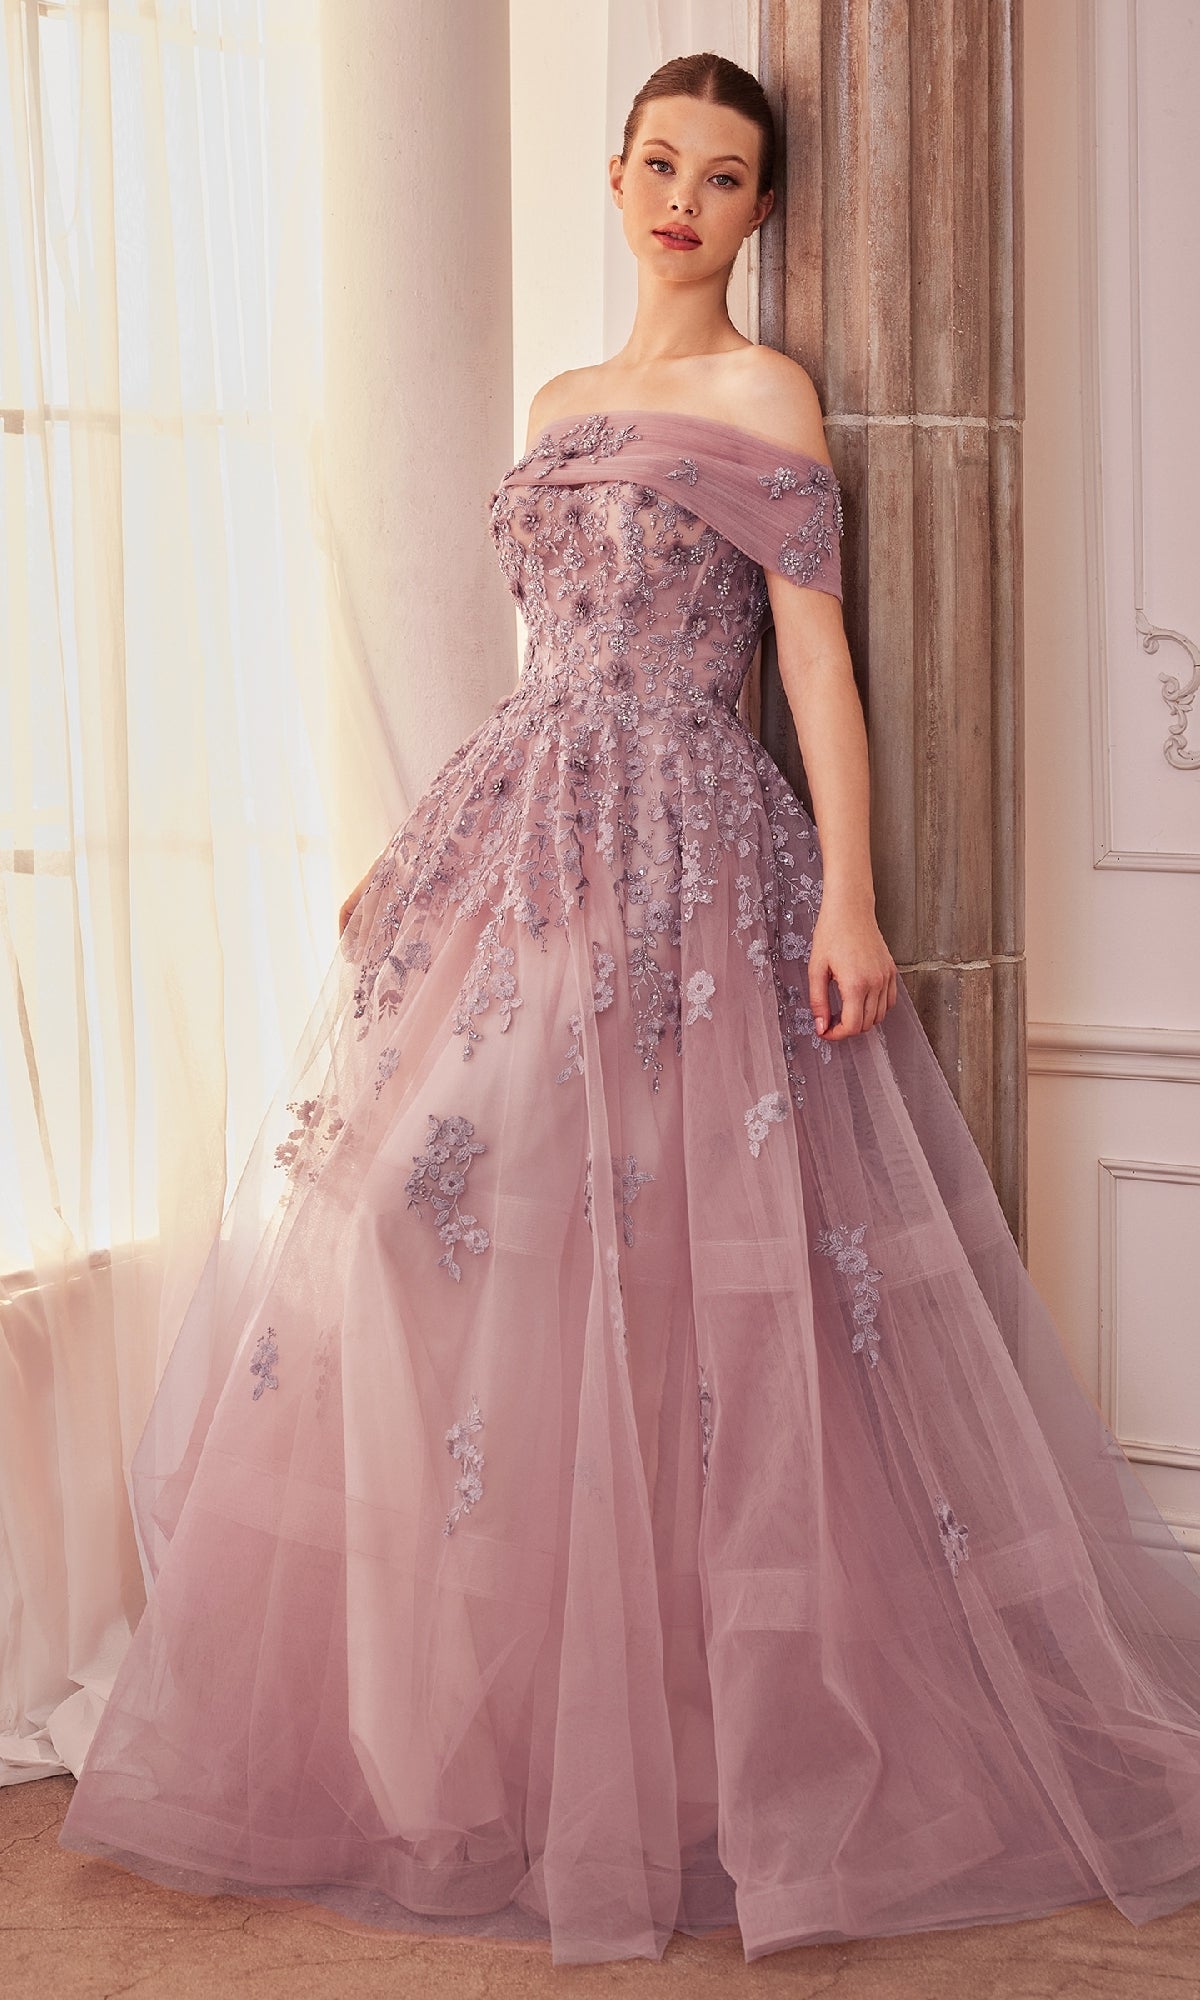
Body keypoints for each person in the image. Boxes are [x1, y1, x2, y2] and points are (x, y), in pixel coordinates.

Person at [59, 52, 1200, 1971]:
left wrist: (849, 894)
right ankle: (486, 1721)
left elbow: (812, 664)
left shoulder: (765, 397)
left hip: (690, 856)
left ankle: (697, 1748)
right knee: (445, 1237)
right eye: (661, 164)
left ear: (761, 209)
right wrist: (414, 851)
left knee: (697, 1293)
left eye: (727, 176)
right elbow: (538, 677)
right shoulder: (559, 403)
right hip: (524, 844)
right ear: (615, 178)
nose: (685, 197)